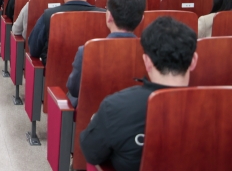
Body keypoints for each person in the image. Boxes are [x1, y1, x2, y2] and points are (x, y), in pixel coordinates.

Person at [80, 17, 198, 171]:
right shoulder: (222, 108)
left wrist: (99, 121)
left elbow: (92, 153)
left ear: (147, 62)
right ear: (194, 61)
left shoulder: (115, 107)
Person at [66, 0, 146, 107]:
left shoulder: (87, 50)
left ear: (109, 16)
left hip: (93, 114)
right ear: (141, 20)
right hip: (135, 112)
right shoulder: (150, 52)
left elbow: (74, 89)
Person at [28, 0, 105, 65]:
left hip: (55, 71)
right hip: (94, 70)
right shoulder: (104, 15)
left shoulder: (49, 15)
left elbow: (34, 49)